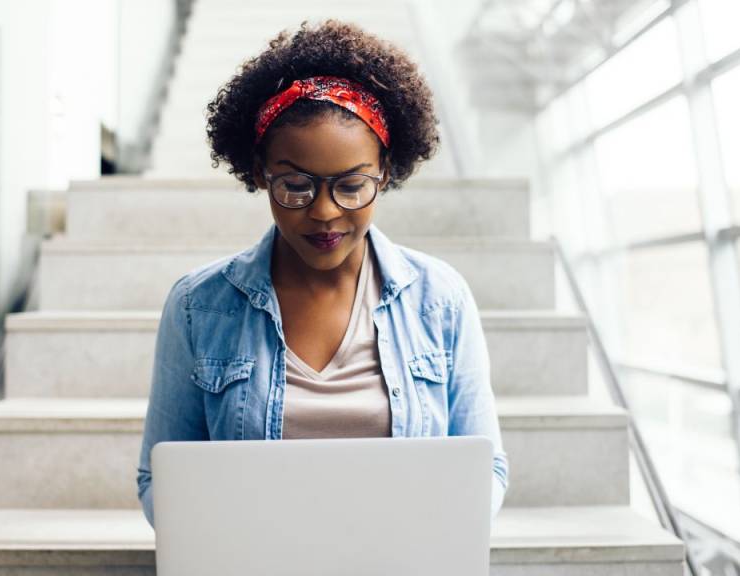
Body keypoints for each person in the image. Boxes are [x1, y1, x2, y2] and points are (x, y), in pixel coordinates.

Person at [136, 19, 507, 527]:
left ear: (384, 171)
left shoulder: (440, 298)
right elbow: (160, 479)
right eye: (296, 185)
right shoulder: (199, 306)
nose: (325, 212)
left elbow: (487, 468)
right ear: (262, 172)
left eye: (352, 185)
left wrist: (430, 537)